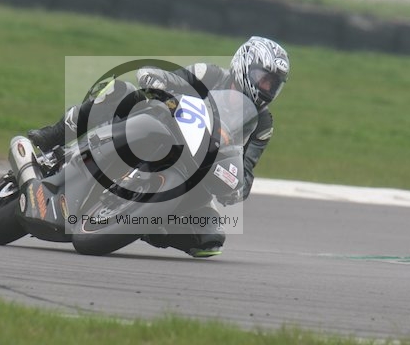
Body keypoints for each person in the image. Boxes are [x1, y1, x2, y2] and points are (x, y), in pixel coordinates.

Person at [28, 36, 290, 257]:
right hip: (165, 130)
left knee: (210, 239)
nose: (266, 88)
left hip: (199, 172)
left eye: (273, 84)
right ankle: (53, 136)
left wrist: (235, 187)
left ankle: (143, 223)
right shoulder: (209, 74)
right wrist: (156, 80)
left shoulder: (262, 124)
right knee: (117, 91)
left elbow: (246, 170)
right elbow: (170, 80)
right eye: (263, 78)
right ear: (244, 64)